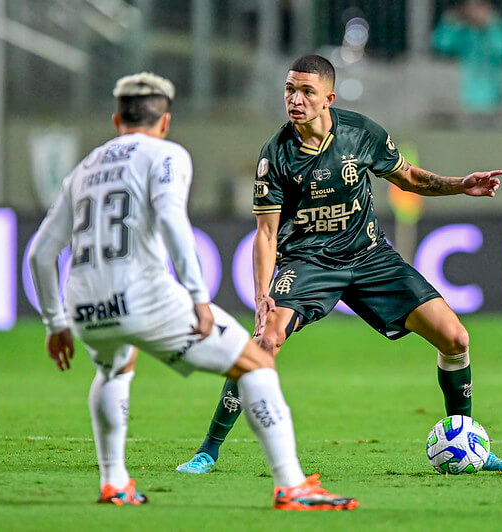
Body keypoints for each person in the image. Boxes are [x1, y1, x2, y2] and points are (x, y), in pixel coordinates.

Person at [28, 72, 358, 511]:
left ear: (115, 119)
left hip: (85, 305)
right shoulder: (166, 155)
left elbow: (39, 254)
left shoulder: (83, 169)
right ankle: (292, 485)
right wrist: (198, 297)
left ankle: (114, 483)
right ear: (164, 121)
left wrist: (55, 323)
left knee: (114, 368)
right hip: (145, 298)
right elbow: (171, 220)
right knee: (256, 363)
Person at [176, 54, 502, 474]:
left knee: (456, 338)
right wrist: (263, 296)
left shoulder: (361, 133)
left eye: (306, 91)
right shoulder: (276, 155)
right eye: (289, 90)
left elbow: (408, 177)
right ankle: (208, 450)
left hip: (371, 257)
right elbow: (265, 234)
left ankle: (469, 441)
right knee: (264, 341)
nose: (295, 100)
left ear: (328, 98)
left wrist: (459, 185)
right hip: (309, 263)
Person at [432, 0, 502, 114]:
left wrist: (493, 26)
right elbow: (441, 45)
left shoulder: (497, 28)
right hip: (465, 91)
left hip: (492, 90)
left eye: (479, 7)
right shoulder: (464, 32)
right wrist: (450, 24)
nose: (475, 12)